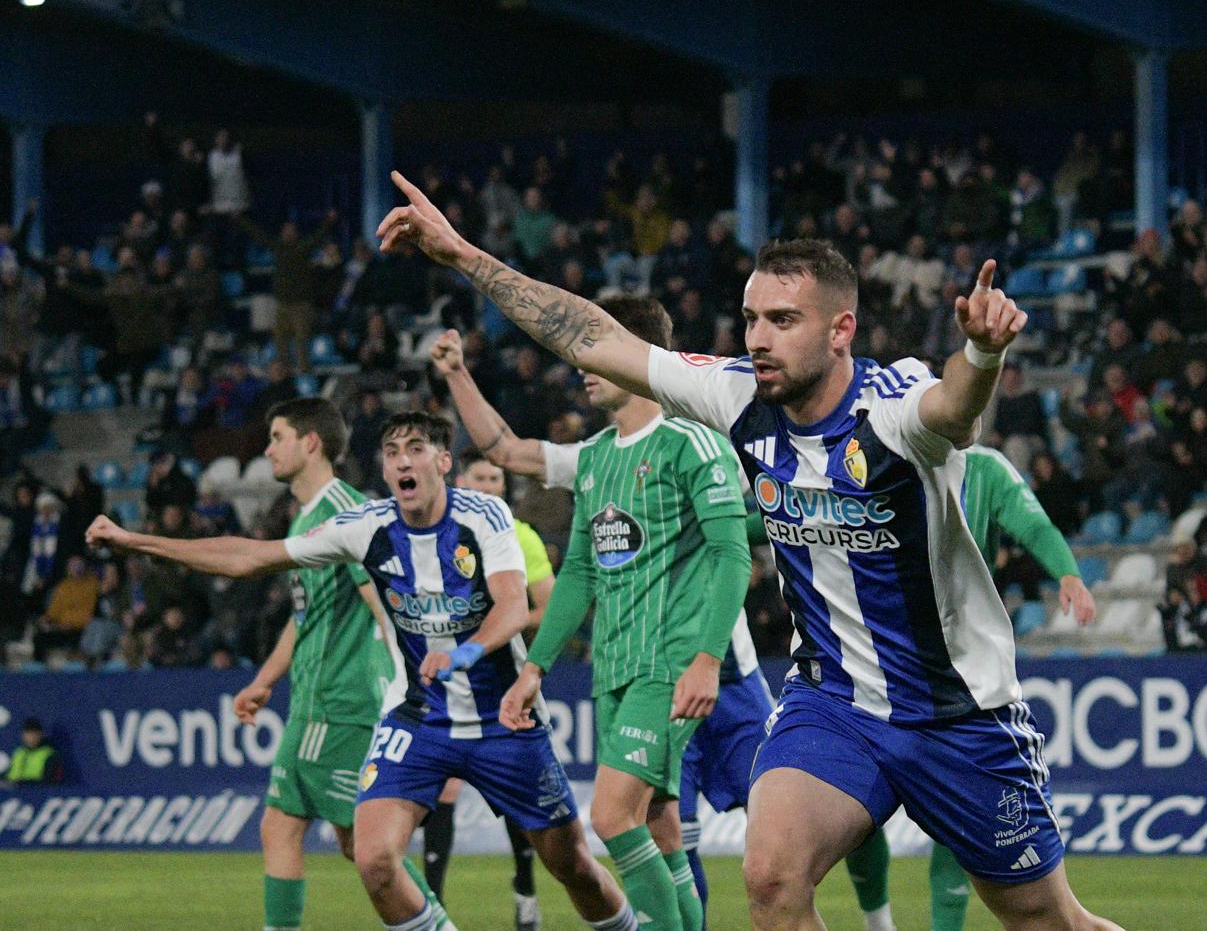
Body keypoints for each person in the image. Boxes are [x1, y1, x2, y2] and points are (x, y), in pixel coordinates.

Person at [377, 170, 1122, 931]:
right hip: (833, 704)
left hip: (958, 712)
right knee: (768, 880)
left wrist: (984, 354)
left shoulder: (893, 409)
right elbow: (593, 336)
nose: (759, 338)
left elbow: (954, 412)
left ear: (841, 331)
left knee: (1044, 920)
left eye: (784, 320)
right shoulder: (737, 395)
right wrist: (464, 254)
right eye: (751, 318)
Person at [87, 411, 632, 931]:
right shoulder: (365, 527)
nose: (402, 463)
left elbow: (514, 605)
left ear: (443, 462)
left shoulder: (481, 515)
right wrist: (137, 541)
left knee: (574, 867)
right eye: (391, 452)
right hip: (418, 719)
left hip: (503, 718)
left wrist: (465, 653)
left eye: (416, 450)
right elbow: (250, 557)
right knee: (373, 860)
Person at [432, 317, 771, 926]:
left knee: (612, 818)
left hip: (666, 663)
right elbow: (581, 574)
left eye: (593, 352)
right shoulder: (593, 459)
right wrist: (534, 666)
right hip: (613, 668)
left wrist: (705, 657)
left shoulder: (690, 442)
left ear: (634, 358)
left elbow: (732, 553)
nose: (581, 367)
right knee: (661, 829)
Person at [110, 397, 456, 931]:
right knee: (282, 827)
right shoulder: (306, 516)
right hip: (311, 704)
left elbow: (386, 604)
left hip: (347, 705)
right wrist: (265, 680)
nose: (268, 449)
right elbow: (307, 616)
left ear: (310, 442)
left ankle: (435, 925)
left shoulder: (345, 512)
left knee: (362, 847)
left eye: (277, 437)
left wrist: (414, 692)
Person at [832, 444, 1100, 931]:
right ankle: (879, 925)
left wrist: (1068, 573)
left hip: (956, 680)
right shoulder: (874, 457)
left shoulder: (984, 469)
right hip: (869, 674)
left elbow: (1033, 525)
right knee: (850, 814)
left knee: (961, 837)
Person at [422, 448, 555, 931]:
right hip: (447, 678)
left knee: (515, 789)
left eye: (495, 478)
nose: (487, 485)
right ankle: (432, 905)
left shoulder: (522, 538)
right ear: (460, 479)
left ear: (504, 487)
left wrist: (499, 624)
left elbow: (548, 606)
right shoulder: (436, 535)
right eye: (478, 476)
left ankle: (525, 888)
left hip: (506, 679)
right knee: (446, 788)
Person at [5, 718, 63, 785]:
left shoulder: (49, 754)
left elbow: (49, 782)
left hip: (35, 793)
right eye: (28, 734)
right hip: (12, 793)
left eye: (34, 734)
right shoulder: (19, 753)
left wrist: (20, 783)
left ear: (41, 734)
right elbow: (10, 777)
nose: (31, 737)